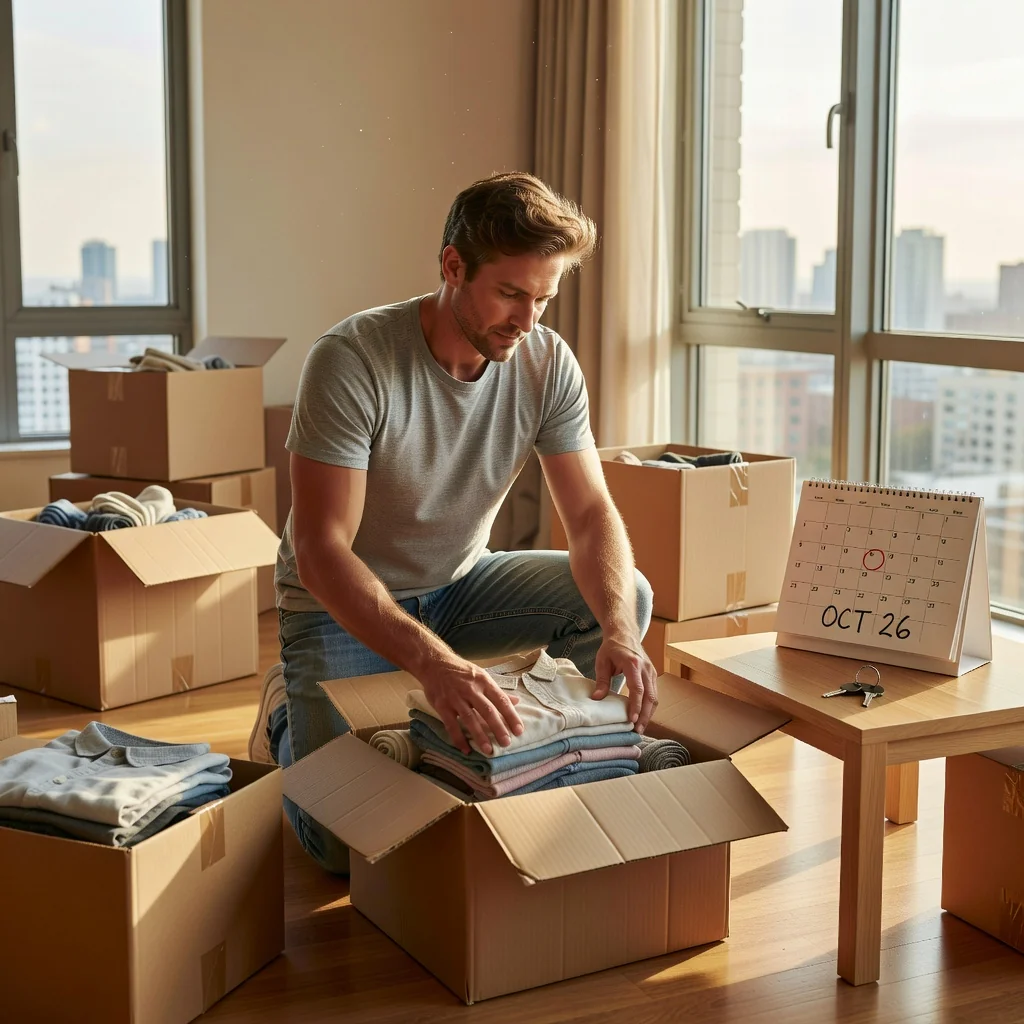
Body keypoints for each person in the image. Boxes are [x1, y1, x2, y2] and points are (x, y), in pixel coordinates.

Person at [249, 171, 657, 873]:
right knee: (343, 849)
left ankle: (547, 748)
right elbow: (320, 550)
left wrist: (620, 631)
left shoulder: (545, 361)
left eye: (545, 299)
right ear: (451, 266)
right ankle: (289, 710)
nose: (527, 321)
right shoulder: (352, 360)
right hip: (338, 608)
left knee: (630, 598)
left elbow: (590, 515)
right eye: (510, 293)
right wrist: (435, 663)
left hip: (463, 586)